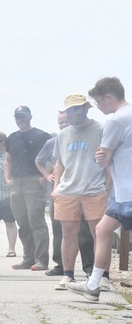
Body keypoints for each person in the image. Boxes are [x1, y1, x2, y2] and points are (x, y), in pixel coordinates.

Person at [68, 77, 129, 301]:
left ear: (108, 97)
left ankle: (93, 285)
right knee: (102, 230)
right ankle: (93, 284)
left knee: (102, 231)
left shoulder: (116, 121)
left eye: (98, 102)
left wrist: (100, 157)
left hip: (127, 192)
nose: (98, 107)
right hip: (124, 193)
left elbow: (103, 157)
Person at [51, 94, 107, 291]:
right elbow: (59, 162)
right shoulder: (63, 134)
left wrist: (108, 188)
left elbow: (109, 159)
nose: (73, 113)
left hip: (94, 188)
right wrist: (56, 187)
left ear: (85, 108)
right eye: (70, 110)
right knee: (68, 233)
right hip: (68, 189)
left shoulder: (101, 129)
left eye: (77, 109)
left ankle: (102, 276)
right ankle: (68, 275)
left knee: (99, 233)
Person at [36, 112, 95, 276]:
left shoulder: (84, 139)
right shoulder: (53, 142)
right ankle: (61, 265)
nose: (63, 125)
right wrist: (47, 176)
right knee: (59, 230)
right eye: (60, 122)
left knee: (84, 231)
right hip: (60, 191)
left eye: (66, 121)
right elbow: (40, 160)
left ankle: (89, 266)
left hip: (83, 189)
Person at [4, 106, 51, 270]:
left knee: (36, 220)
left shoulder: (42, 136)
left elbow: (52, 157)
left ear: (30, 116)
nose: (20, 119)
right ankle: (28, 258)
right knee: (22, 222)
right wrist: (7, 178)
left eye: (23, 116)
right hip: (16, 183)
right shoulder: (12, 138)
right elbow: (7, 160)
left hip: (34, 182)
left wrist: (46, 176)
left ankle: (42, 260)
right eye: (17, 116)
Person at [0, 132, 18, 258]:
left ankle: (11, 248)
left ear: (2, 142)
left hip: (6, 194)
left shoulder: (8, 156)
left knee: (10, 222)